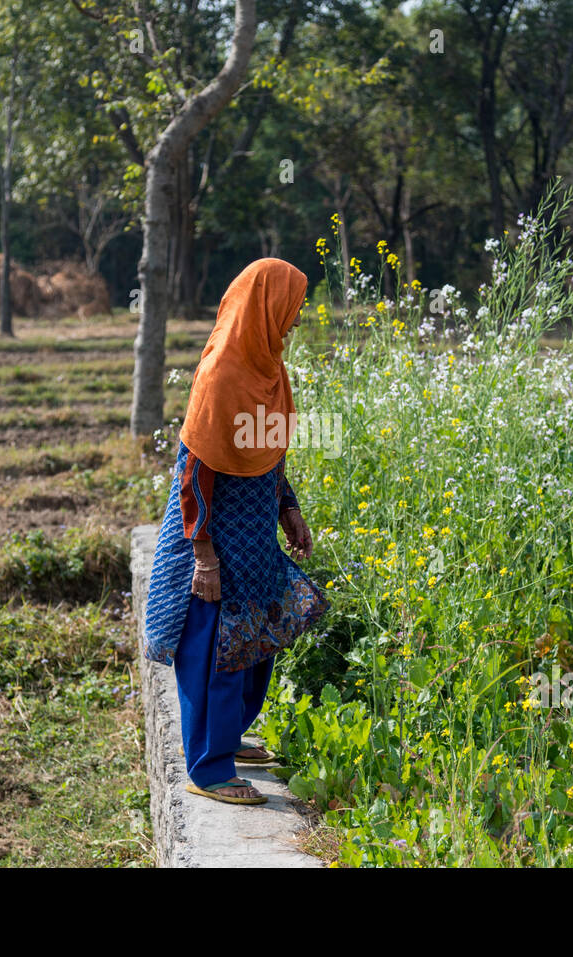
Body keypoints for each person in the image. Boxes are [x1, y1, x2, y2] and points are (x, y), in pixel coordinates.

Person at [142, 257, 328, 805]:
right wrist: (203, 556)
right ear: (263, 307)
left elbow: (270, 454)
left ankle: (229, 739)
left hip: (255, 544)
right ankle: (209, 766)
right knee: (214, 652)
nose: (294, 321)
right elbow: (194, 471)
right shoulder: (222, 373)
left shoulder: (267, 368)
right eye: (289, 308)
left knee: (252, 649)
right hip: (216, 545)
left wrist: (289, 509)